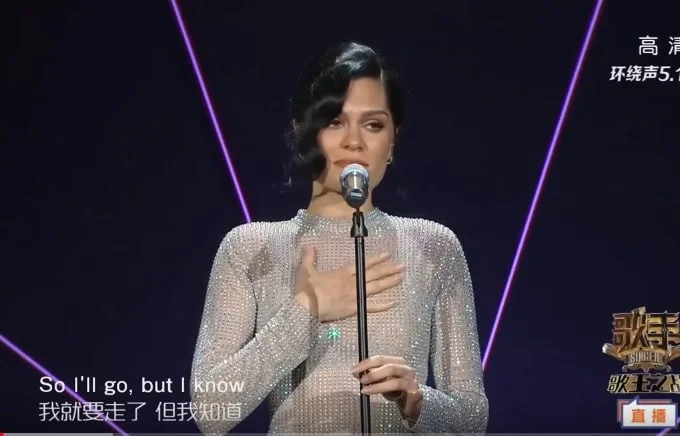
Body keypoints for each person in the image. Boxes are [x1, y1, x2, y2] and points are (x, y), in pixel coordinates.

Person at [190, 41, 489, 434]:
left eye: (373, 125)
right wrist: (306, 312)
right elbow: (210, 410)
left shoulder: (434, 247)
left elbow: (472, 418)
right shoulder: (251, 248)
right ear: (303, 130)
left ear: (393, 140)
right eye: (334, 121)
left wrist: (418, 401)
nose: (354, 141)